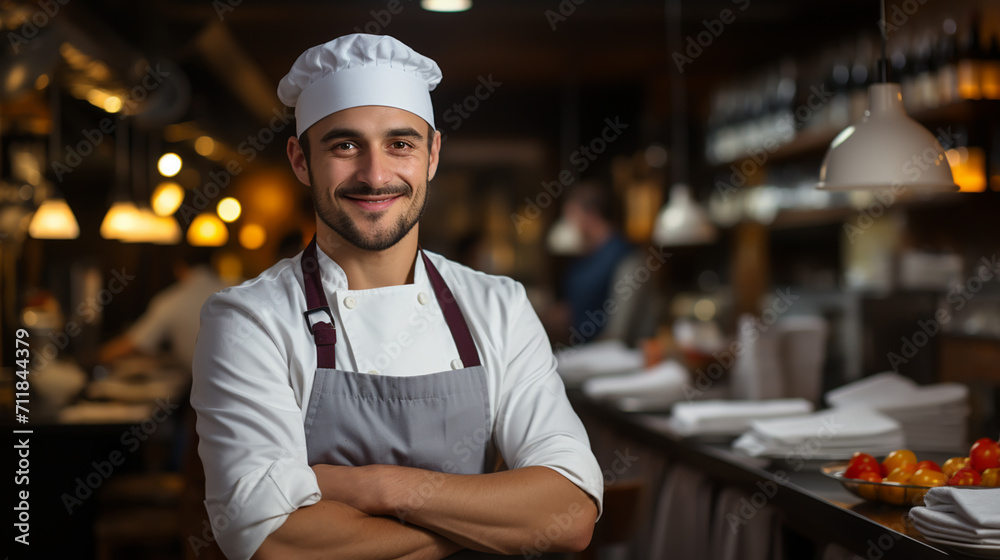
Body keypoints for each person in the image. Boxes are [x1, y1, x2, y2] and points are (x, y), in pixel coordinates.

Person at [191, 34, 602, 560]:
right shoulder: (248, 320)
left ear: (432, 155)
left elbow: (570, 513)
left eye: (400, 144)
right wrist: (490, 524)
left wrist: (377, 487)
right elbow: (273, 539)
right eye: (345, 145)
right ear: (300, 160)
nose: (376, 175)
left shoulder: (499, 306)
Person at [99, 246, 229, 370]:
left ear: (179, 267)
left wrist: (95, 357)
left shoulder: (173, 300)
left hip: (215, 388)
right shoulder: (237, 286)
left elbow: (134, 343)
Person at [559, 182, 634, 344]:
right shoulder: (584, 255)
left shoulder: (623, 256)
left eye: (572, 217)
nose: (569, 225)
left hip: (603, 356)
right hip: (580, 350)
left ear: (591, 216)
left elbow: (620, 328)